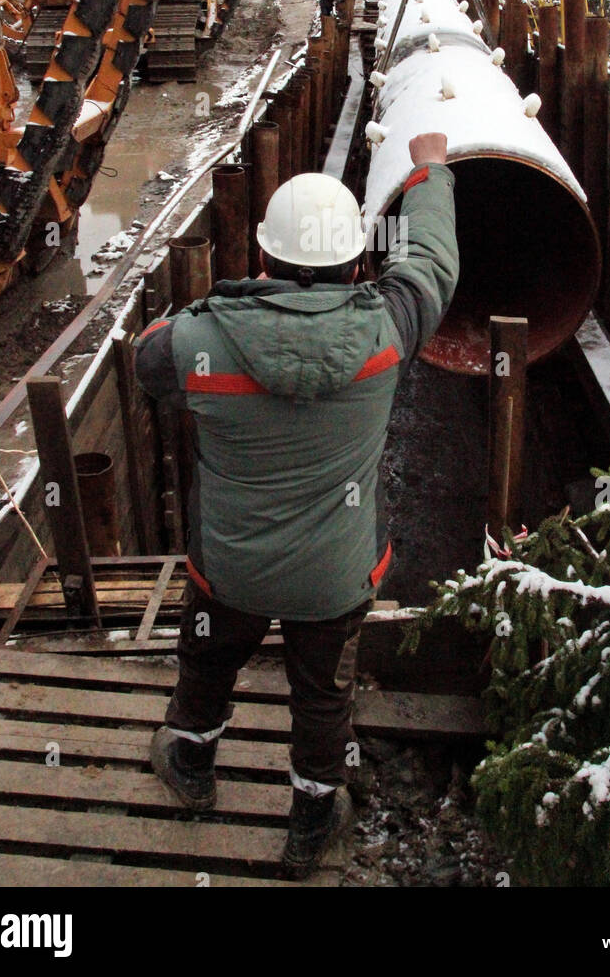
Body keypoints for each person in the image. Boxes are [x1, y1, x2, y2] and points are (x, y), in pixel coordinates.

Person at [135, 134, 459, 879]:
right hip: (334, 580)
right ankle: (313, 819)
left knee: (208, 661)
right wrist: (430, 171)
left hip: (232, 573)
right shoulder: (387, 330)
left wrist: (214, 309)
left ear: (264, 259)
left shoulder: (197, 342)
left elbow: (148, 356)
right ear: (354, 263)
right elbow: (432, 264)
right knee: (322, 696)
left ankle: (190, 762)